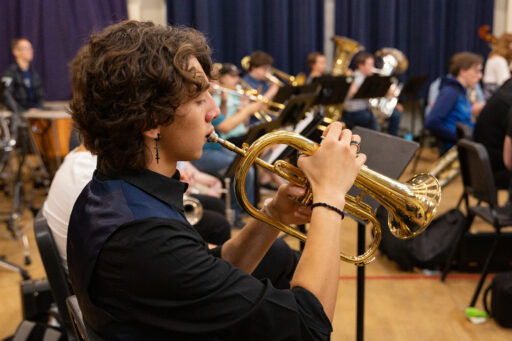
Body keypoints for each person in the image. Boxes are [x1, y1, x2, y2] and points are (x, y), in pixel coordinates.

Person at [67, 20, 365, 340]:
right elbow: (309, 327)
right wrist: (330, 196)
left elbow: (204, 276)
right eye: (198, 100)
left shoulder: (114, 188)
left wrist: (272, 217)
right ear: (152, 121)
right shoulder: (145, 239)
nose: (213, 111)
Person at [425, 52, 483, 153]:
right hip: (452, 150)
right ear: (463, 72)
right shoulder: (450, 92)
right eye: (476, 71)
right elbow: (432, 122)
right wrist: (459, 139)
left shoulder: (461, 92)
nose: (480, 76)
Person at [342, 52, 401, 136]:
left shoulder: (368, 78)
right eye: (370, 64)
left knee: (394, 114)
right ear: (361, 66)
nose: (373, 67)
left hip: (365, 109)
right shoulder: (354, 76)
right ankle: (375, 143)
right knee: (373, 120)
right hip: (353, 112)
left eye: (373, 64)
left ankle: (391, 140)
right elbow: (353, 92)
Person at [473, 79, 512, 193]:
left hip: (483, 164)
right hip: (494, 169)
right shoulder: (508, 101)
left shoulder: (506, 89)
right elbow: (509, 162)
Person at [1, 38, 44, 112]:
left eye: (31, 48)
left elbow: (40, 96)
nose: (30, 51)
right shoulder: (9, 74)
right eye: (26, 48)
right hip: (18, 116)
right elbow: (5, 96)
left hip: (35, 115)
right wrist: (23, 111)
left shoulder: (34, 74)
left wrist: (38, 109)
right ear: (16, 52)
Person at [241, 50, 280, 125]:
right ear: (254, 68)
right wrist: (272, 91)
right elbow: (256, 107)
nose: (268, 72)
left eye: (269, 69)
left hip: (272, 119)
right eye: (265, 69)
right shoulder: (245, 84)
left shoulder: (264, 81)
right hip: (257, 123)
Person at [483, 33, 512, 99]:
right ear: (508, 45)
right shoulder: (500, 60)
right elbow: (504, 83)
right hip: (494, 93)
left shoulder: (494, 57)